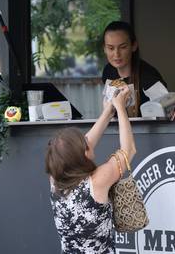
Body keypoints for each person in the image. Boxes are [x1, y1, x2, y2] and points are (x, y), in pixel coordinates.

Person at [45, 85, 136, 253]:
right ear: (82, 154)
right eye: (84, 143)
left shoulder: (55, 180)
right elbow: (128, 151)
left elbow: (76, 149)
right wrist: (121, 108)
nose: (88, 141)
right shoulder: (96, 182)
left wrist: (108, 111)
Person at [101, 21, 167, 116]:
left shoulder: (148, 76)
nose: (116, 54)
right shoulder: (108, 71)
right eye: (111, 48)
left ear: (134, 46)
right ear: (104, 48)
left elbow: (167, 108)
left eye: (123, 47)